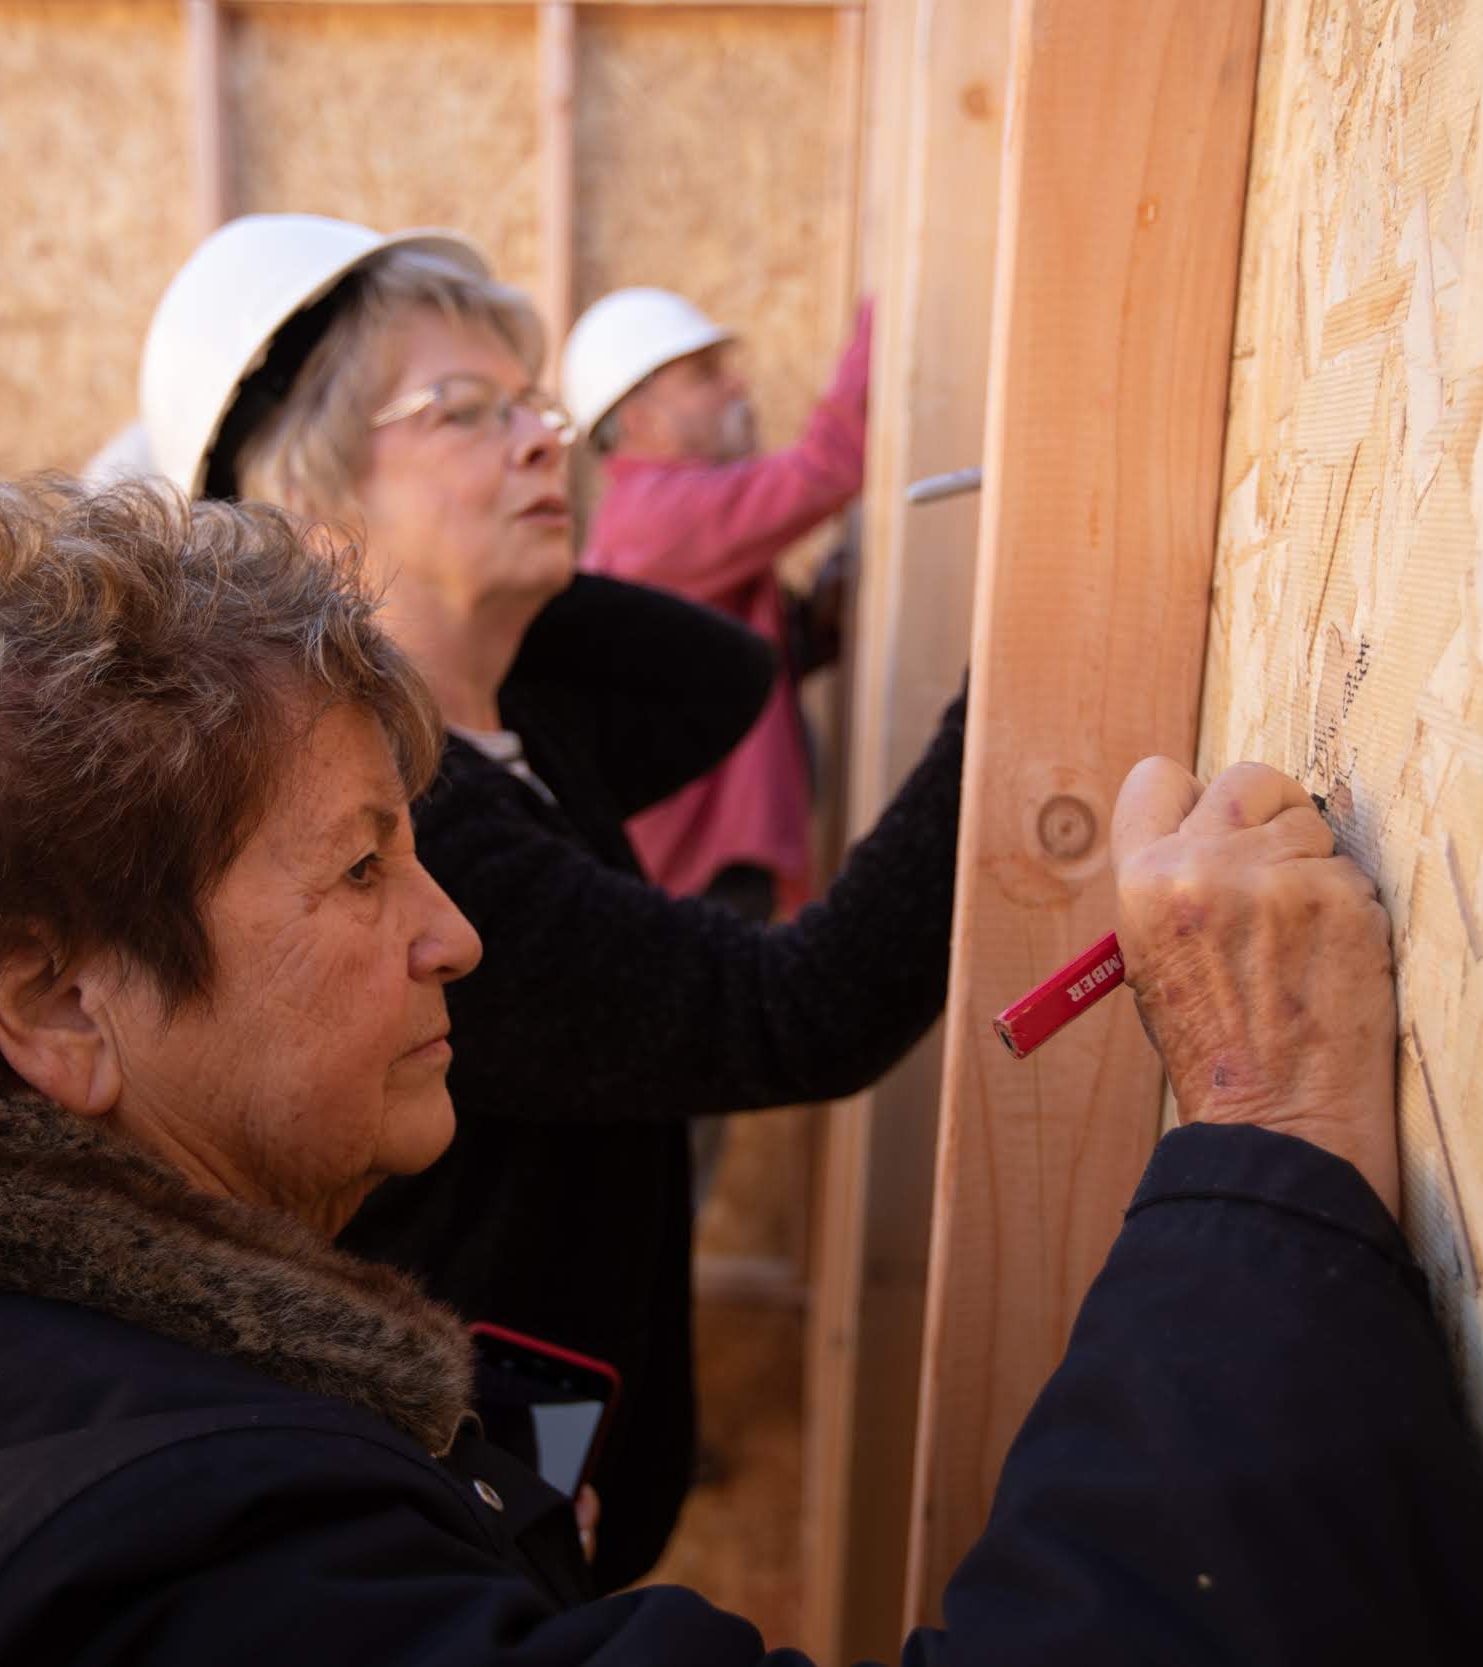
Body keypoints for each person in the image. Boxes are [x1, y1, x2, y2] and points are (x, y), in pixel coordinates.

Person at [0, 479, 1483, 1663]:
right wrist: (1259, 1136)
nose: (455, 932)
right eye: (355, 866)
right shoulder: (167, 1564)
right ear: (53, 1002)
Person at [138, 215, 961, 1584]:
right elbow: (802, 1009)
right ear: (305, 503)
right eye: (465, 412)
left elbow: (721, 681)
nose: (544, 441)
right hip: (467, 1501)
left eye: (535, 407)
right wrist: (1024, 695)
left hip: (547, 1438)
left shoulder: (515, 726)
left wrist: (453, 621)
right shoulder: (415, 829)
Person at [563, 287, 870, 923]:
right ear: (640, 419)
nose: (735, 388)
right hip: (699, 873)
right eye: (703, 377)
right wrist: (880, 316)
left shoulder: (655, 514)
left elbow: (711, 661)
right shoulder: (660, 515)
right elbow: (827, 470)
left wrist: (810, 631)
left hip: (700, 863)